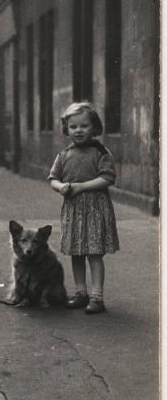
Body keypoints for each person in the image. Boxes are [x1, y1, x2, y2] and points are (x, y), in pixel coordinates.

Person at [48, 102, 120, 314]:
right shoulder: (64, 155)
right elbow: (53, 178)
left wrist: (82, 187)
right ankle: (81, 292)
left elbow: (107, 178)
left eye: (84, 126)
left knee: (94, 253)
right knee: (76, 253)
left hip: (96, 209)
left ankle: (97, 296)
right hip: (73, 210)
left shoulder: (100, 152)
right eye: (73, 127)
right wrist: (62, 187)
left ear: (94, 128)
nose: (78, 130)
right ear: (66, 129)